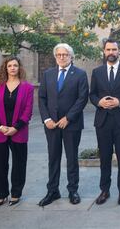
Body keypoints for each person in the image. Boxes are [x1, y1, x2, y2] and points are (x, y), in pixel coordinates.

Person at [89, 39, 120, 205]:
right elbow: (92, 95)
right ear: (104, 51)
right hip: (102, 121)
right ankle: (104, 190)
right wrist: (99, 102)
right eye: (108, 49)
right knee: (104, 158)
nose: (111, 52)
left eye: (114, 49)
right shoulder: (97, 72)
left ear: (119, 51)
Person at [38, 43, 89, 206]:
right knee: (53, 158)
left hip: (71, 124)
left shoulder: (80, 74)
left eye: (65, 55)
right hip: (51, 125)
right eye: (59, 55)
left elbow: (82, 99)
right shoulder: (48, 74)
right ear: (55, 57)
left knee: (72, 158)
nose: (61, 57)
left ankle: (73, 190)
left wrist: (68, 117)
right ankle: (53, 191)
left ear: (71, 56)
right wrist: (47, 119)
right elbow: (42, 98)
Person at [0, 56, 34, 208]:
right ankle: (1, 195)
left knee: (19, 164)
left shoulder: (27, 88)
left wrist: (16, 128)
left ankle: (15, 194)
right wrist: (0, 126)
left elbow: (27, 111)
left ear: (19, 68)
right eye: (9, 66)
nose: (13, 68)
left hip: (18, 132)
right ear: (5, 68)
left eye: (15, 65)